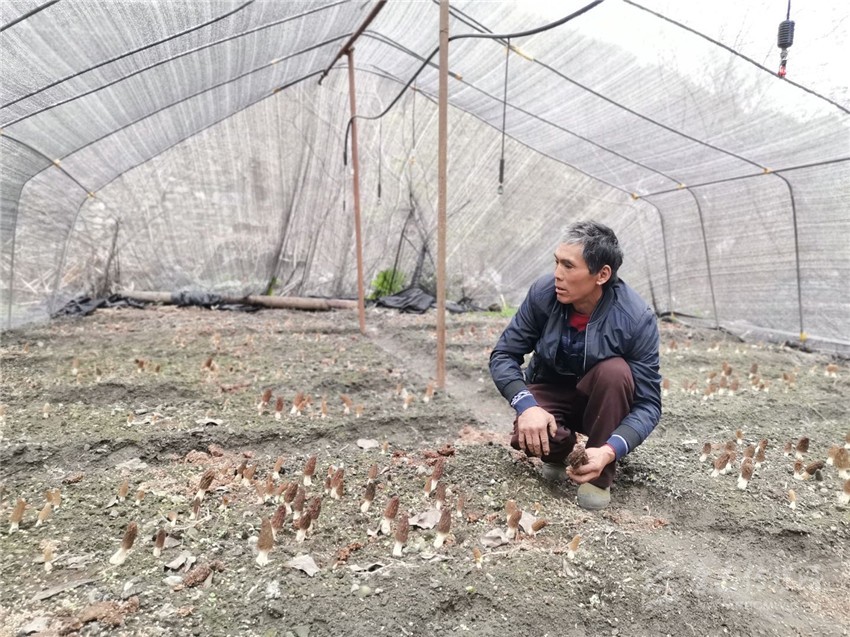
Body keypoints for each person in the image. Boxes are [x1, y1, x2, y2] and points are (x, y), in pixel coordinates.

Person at [489, 220, 661, 510]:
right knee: (526, 434)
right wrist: (527, 406)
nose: (557, 274)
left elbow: (649, 404)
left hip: (602, 402)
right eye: (557, 262)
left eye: (568, 266)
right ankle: (560, 449)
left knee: (615, 372)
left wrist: (610, 450)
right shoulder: (543, 294)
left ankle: (598, 475)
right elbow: (504, 354)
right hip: (552, 389)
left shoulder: (635, 318)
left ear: (602, 274)